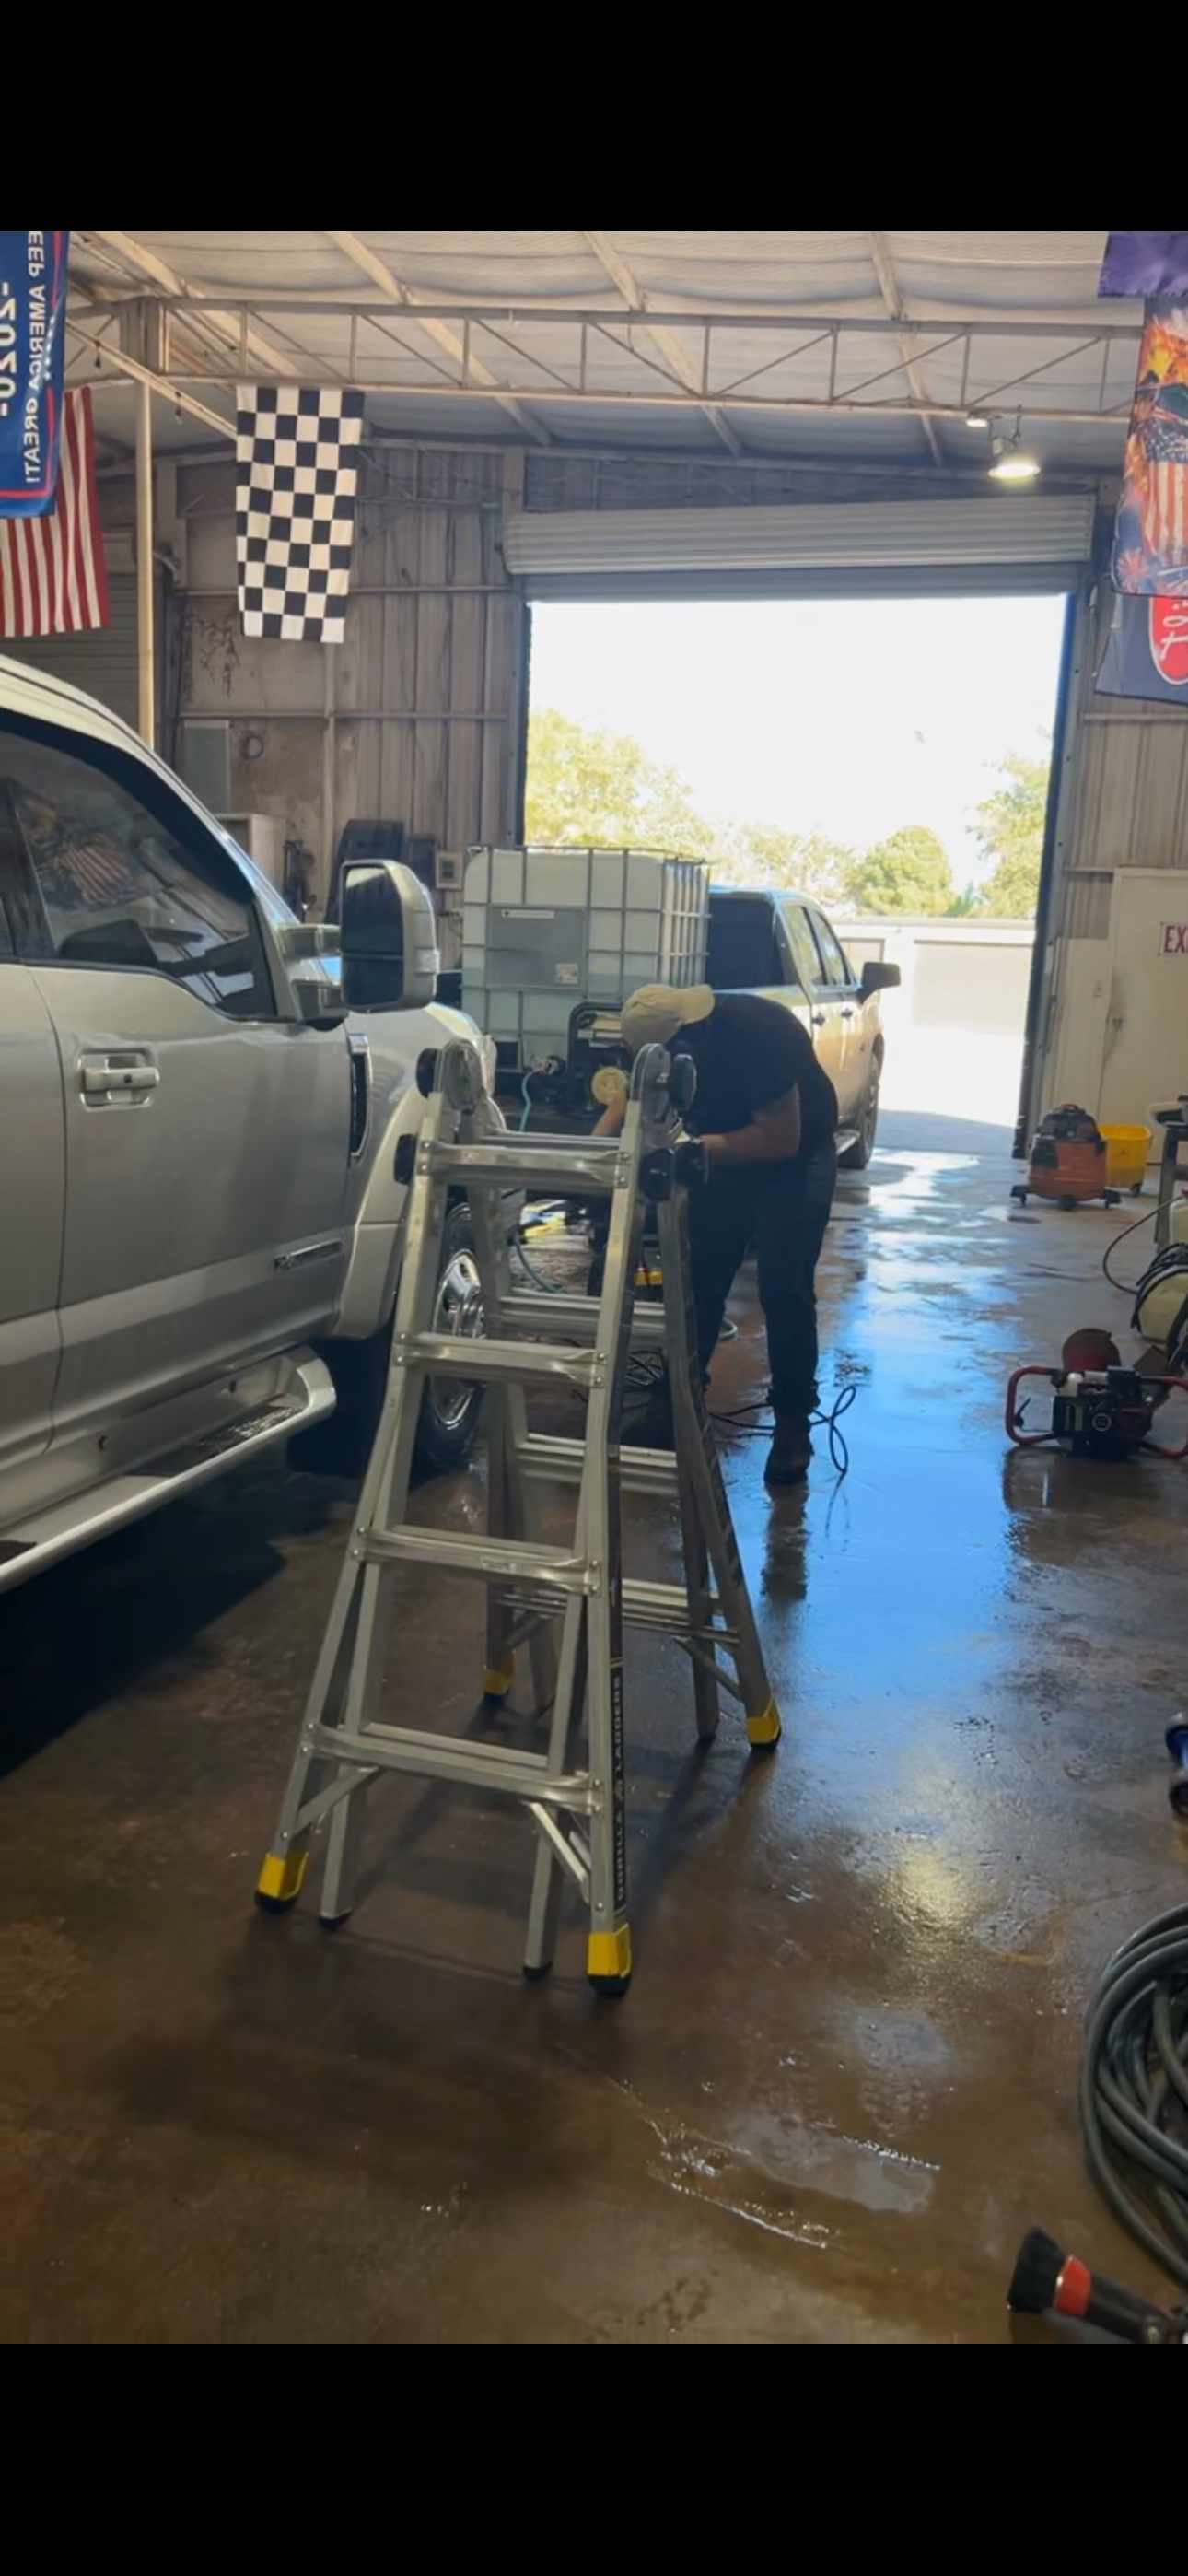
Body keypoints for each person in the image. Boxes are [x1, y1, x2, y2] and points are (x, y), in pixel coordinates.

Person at [596, 982, 837, 1483]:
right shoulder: (669, 1041)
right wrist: (588, 1161)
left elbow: (779, 1138)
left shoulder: (762, 1034)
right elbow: (631, 1097)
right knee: (696, 1282)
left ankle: (793, 1424)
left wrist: (695, 1146)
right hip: (724, 1155)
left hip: (794, 1160)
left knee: (783, 1287)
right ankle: (676, 1405)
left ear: (687, 1040)